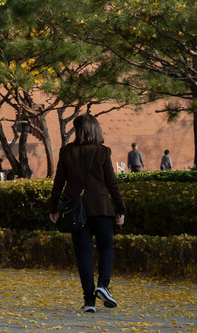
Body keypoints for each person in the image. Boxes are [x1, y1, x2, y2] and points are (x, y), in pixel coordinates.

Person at [49, 113, 126, 314]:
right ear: (95, 129)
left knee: (83, 254)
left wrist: (53, 208)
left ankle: (89, 301)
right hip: (101, 208)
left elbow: (59, 182)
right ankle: (103, 285)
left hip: (76, 210)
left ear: (78, 130)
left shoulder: (67, 152)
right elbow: (112, 183)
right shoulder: (102, 151)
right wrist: (120, 209)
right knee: (106, 246)